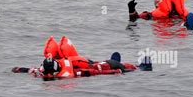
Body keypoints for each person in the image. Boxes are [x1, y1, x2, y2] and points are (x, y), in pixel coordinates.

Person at [12, 36, 151, 80]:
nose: (46, 74)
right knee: (113, 63)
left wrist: (115, 71)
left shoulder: (73, 72)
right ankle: (133, 66)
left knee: (118, 66)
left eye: (49, 73)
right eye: (47, 73)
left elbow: (96, 72)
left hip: (99, 66)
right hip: (94, 66)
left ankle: (140, 68)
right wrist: (19, 69)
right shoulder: (47, 70)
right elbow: (32, 70)